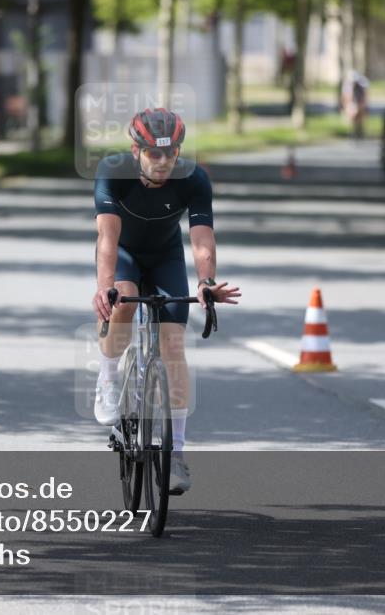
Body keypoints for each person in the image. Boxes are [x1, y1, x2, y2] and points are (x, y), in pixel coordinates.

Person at [92, 108, 241, 495]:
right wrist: (105, 286)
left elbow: (202, 238)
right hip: (125, 253)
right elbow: (107, 239)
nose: (162, 163)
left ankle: (175, 454)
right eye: (153, 154)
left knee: (174, 344)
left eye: (170, 154)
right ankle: (107, 375)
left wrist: (206, 282)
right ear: (135, 150)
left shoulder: (194, 179)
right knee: (122, 303)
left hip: (165, 257)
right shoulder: (113, 171)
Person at [341, 70, 370, 139]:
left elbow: (364, 96)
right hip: (352, 103)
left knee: (360, 118)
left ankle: (360, 131)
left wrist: (363, 105)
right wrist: (345, 106)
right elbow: (345, 97)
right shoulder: (347, 85)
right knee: (352, 118)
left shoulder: (362, 84)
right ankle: (353, 132)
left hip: (359, 102)